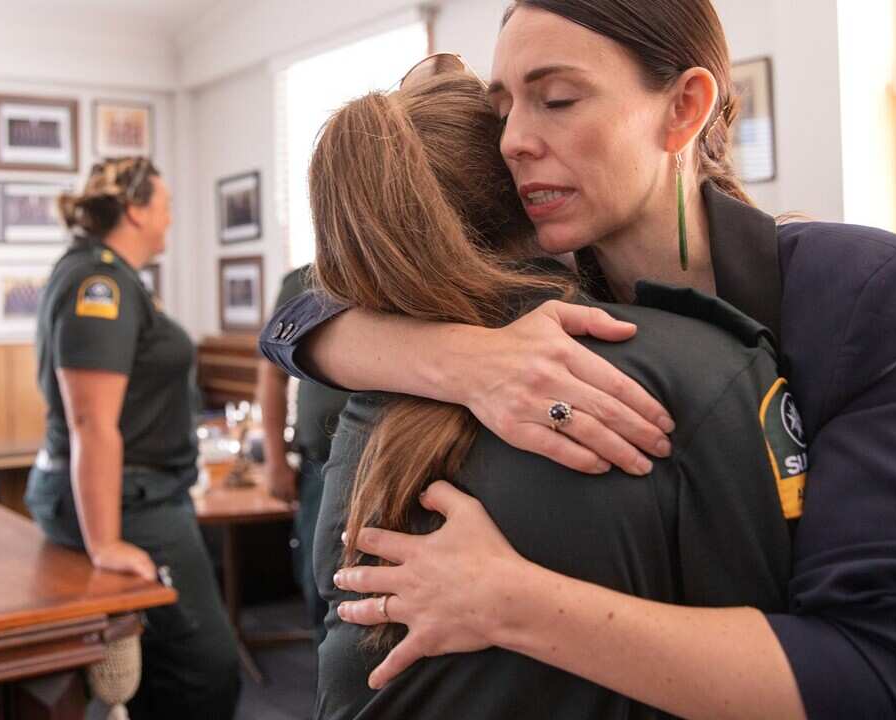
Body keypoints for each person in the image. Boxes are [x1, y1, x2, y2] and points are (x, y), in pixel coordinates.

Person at [262, 1, 896, 717]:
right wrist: (464, 360)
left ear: (683, 108)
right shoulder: (543, 298)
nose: (513, 139)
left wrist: (509, 602)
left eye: (556, 99)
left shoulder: (868, 289)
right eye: (503, 109)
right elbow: (293, 322)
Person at [309, 69, 803, 719]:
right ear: (530, 190)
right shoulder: (710, 366)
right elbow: (786, 665)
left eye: (562, 100)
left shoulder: (364, 394)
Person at [26, 157, 241, 719]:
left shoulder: (107, 275)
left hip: (139, 495)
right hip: (132, 503)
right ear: (136, 210)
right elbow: (91, 422)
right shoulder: (99, 282)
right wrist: (106, 543)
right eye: (165, 207)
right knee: (206, 669)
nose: (170, 220)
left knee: (161, 666)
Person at [257, 263, 350, 645]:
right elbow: (272, 377)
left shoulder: (392, 267)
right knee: (317, 581)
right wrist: (275, 460)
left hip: (386, 460)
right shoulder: (299, 281)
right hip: (318, 466)